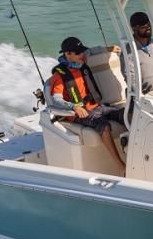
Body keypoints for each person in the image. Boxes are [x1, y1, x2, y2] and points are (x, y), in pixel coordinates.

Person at [46, 36, 126, 174]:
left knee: (126, 113)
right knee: (103, 126)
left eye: (81, 51)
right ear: (68, 54)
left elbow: (91, 51)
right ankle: (120, 165)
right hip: (79, 113)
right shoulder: (59, 77)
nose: (82, 55)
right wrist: (74, 107)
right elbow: (56, 99)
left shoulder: (81, 60)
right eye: (78, 53)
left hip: (97, 106)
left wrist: (108, 49)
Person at [125, 11, 153, 94]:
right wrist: (142, 95)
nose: (147, 27)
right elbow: (130, 78)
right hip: (144, 96)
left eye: (148, 24)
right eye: (143, 25)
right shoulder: (129, 50)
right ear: (134, 28)